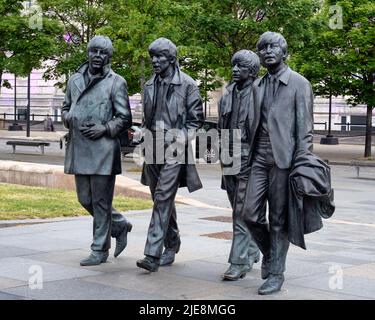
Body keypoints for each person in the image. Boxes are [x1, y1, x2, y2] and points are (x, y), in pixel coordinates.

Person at [242, 32, 314, 294]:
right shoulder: (257, 86)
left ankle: (276, 273)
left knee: (279, 219)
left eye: (274, 47)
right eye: (263, 48)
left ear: (284, 52)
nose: (268, 51)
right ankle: (270, 254)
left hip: (285, 160)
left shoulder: (299, 84)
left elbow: (305, 130)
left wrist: (302, 164)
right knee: (249, 214)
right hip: (259, 157)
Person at [61, 35, 133, 266]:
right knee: (85, 198)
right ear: (88, 53)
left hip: (103, 149)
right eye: (94, 51)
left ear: (109, 57)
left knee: (101, 202)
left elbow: (124, 118)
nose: (98, 57)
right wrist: (67, 117)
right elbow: (64, 107)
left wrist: (105, 128)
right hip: (80, 146)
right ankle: (120, 224)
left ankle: (99, 249)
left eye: (103, 53)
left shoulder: (116, 82)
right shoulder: (74, 80)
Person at [137, 38, 204, 272]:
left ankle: (151, 254)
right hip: (152, 147)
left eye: (159, 57)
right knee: (159, 198)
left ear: (172, 59)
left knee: (164, 196)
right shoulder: (149, 85)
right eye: (152, 56)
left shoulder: (187, 85)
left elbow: (196, 121)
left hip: (175, 148)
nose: (154, 61)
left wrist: (179, 137)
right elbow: (147, 117)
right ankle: (172, 243)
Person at [218, 50, 261, 281]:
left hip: (250, 158)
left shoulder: (260, 94)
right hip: (229, 157)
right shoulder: (226, 96)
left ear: (252, 71)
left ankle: (237, 261)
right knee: (239, 209)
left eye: (240, 66)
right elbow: (221, 129)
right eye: (234, 65)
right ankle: (252, 249)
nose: (235, 69)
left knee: (241, 212)